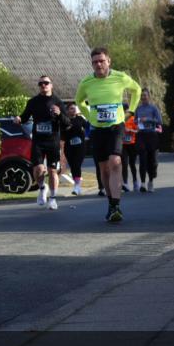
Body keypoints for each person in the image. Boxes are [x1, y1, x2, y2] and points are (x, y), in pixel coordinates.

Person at [75, 47, 141, 222]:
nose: (98, 65)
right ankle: (111, 204)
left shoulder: (120, 77)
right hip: (97, 129)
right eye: (95, 62)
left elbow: (137, 90)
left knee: (116, 162)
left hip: (116, 126)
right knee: (103, 168)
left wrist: (132, 111)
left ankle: (117, 205)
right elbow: (79, 101)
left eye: (101, 61)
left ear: (108, 61)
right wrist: (89, 116)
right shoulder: (86, 82)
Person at [15, 75, 68, 211]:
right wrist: (19, 119)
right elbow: (25, 116)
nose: (43, 85)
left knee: (52, 171)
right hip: (38, 140)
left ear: (51, 85)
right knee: (38, 169)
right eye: (41, 83)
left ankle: (53, 198)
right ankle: (42, 188)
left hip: (53, 141)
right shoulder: (33, 102)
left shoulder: (58, 102)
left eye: (46, 83)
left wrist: (59, 114)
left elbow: (67, 122)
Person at [135, 90, 163, 192]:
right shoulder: (138, 108)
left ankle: (150, 181)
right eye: (142, 96)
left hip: (152, 135)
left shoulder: (153, 108)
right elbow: (135, 120)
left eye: (145, 95)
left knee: (152, 161)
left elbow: (160, 121)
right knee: (142, 160)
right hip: (141, 135)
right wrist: (137, 121)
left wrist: (147, 119)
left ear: (149, 96)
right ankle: (142, 183)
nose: (143, 97)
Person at [62, 103, 88, 195]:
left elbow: (88, 127)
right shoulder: (64, 120)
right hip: (69, 146)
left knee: (77, 164)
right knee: (73, 166)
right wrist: (67, 129)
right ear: (67, 110)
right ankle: (77, 185)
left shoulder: (80, 119)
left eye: (75, 108)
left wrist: (86, 133)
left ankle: (77, 186)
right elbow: (61, 134)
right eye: (71, 108)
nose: (74, 110)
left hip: (80, 146)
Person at [121, 106, 139, 192]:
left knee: (132, 164)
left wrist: (131, 130)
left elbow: (138, 130)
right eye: (124, 111)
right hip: (123, 144)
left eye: (127, 111)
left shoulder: (133, 118)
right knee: (124, 164)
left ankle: (135, 182)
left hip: (132, 144)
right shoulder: (120, 119)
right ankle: (125, 183)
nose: (126, 113)